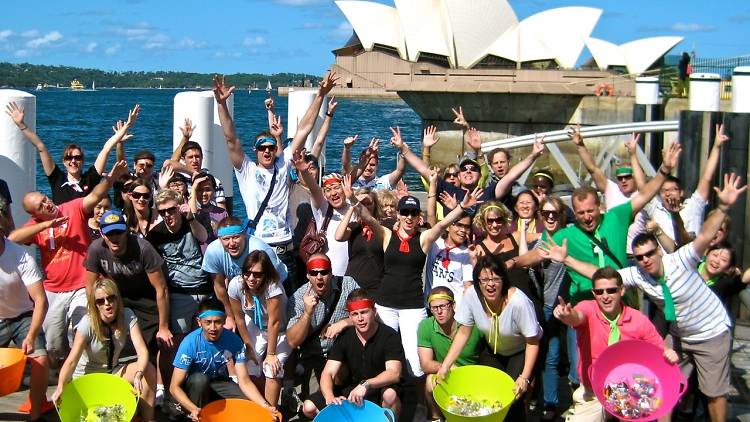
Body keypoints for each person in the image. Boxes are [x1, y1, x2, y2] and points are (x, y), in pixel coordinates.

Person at [555, 173, 745, 422]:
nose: (645, 260)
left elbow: (705, 236)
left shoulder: (681, 260)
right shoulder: (638, 274)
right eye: (640, 256)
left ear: (658, 250)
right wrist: (568, 259)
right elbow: (604, 277)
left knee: (713, 392)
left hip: (710, 332)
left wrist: (722, 207)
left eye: (649, 253)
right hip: (680, 332)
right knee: (657, 380)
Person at [213, 73, 337, 287]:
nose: (268, 151)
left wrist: (320, 95)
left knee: (286, 306)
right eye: (262, 148)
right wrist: (221, 105)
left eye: (271, 147)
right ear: (256, 150)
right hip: (258, 249)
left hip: (285, 250)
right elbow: (231, 138)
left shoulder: (284, 163)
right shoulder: (247, 170)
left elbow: (304, 129)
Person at [10, 160, 128, 367]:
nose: (47, 204)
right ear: (33, 214)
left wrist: (110, 178)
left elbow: (94, 196)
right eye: (40, 206)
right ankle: (61, 371)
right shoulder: (35, 226)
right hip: (54, 290)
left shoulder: (71, 208)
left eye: (45, 199)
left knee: (81, 328)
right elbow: (13, 238)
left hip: (82, 285)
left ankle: (82, 369)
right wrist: (46, 225)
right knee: (53, 341)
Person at [366, 188, 482, 379]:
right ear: (398, 214)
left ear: (419, 217)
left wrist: (462, 207)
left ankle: (419, 402)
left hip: (413, 305)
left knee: (416, 363)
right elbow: (368, 218)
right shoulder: (387, 235)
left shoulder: (424, 238)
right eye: (405, 212)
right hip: (385, 304)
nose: (409, 217)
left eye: (413, 213)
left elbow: (442, 223)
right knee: (382, 353)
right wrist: (351, 197)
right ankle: (386, 397)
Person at [551, 267, 678, 422]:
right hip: (593, 390)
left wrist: (668, 353)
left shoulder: (637, 319)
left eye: (611, 290)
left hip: (627, 388)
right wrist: (567, 316)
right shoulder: (588, 308)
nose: (605, 296)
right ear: (593, 293)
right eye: (599, 292)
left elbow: (658, 349)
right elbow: (577, 317)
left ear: (621, 290)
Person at [438, 257, 542, 421]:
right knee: (486, 395)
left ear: (504, 280)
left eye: (495, 279)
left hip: (521, 350)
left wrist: (524, 377)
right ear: (478, 281)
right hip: (493, 349)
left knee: (512, 398)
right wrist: (445, 365)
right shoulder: (472, 295)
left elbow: (533, 341)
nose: (490, 284)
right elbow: (464, 332)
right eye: (484, 279)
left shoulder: (519, 302)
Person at [52, 279, 157, 421]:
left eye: (111, 298)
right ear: (95, 305)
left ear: (117, 298)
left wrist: (139, 374)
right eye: (100, 301)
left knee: (148, 370)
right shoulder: (87, 324)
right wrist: (60, 386)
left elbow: (142, 352)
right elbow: (71, 361)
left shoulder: (127, 315)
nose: (107, 304)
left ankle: (148, 419)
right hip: (87, 378)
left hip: (112, 372)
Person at [146, 189, 210, 404]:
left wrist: (190, 217)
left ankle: (199, 389)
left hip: (205, 290)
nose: (167, 215)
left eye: (171, 210)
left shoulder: (193, 222)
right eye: (162, 211)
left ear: (179, 207)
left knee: (205, 341)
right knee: (174, 345)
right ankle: (167, 391)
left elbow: (203, 237)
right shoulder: (155, 235)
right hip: (179, 294)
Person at [5, 102, 138, 204]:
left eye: (77, 157)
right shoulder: (57, 178)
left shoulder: (90, 178)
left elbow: (106, 148)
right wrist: (21, 125)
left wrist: (127, 126)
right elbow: (41, 147)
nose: (73, 161)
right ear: (63, 161)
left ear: (82, 161)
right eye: (69, 157)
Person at [302, 289, 405, 419]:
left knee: (390, 395)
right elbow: (328, 373)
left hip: (380, 387)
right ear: (350, 317)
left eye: (364, 312)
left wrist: (366, 384)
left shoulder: (389, 335)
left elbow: (394, 373)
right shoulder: (345, 337)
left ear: (374, 312)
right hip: (352, 388)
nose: (360, 318)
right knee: (308, 408)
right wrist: (329, 397)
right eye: (355, 314)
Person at [170, 298, 277, 421]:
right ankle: (194, 416)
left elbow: (244, 381)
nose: (213, 328)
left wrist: (264, 406)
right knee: (200, 380)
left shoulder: (234, 341)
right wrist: (192, 408)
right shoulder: (189, 343)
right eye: (208, 322)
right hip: (194, 385)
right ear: (199, 322)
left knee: (246, 403)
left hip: (219, 382)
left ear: (225, 320)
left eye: (218, 322)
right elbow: (174, 387)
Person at [83, 209, 174, 352]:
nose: (114, 237)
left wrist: (163, 327)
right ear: (101, 233)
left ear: (126, 231)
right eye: (109, 233)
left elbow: (161, 288)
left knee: (159, 343)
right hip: (117, 297)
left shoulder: (143, 248)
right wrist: (95, 314)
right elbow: (90, 287)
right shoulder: (96, 249)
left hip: (147, 299)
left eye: (118, 232)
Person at [285, 254, 359, 394]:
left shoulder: (348, 284)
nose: (319, 277)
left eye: (324, 272)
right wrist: (307, 313)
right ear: (307, 275)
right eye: (314, 273)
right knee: (311, 408)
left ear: (331, 273)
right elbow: (292, 341)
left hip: (345, 353)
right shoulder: (299, 298)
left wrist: (345, 322)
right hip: (316, 356)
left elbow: (369, 313)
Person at [228, 250, 292, 407]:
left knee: (271, 368)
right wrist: (248, 345)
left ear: (266, 274)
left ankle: (271, 412)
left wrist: (271, 354)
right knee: (248, 363)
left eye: (257, 274)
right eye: (247, 273)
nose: (251, 278)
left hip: (282, 330)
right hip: (257, 325)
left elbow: (274, 322)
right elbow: (240, 319)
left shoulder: (273, 287)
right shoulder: (235, 285)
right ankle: (258, 405)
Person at [201, 216, 287, 331]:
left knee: (278, 325)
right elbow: (219, 287)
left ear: (244, 235)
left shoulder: (260, 249)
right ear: (219, 239)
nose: (231, 243)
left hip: (274, 283)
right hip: (245, 287)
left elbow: (272, 284)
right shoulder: (213, 251)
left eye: (236, 237)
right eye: (226, 239)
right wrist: (229, 317)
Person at [0, 229, 50, 421]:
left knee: (40, 359)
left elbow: (40, 301)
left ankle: (35, 414)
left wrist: (31, 335)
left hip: (23, 315)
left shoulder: (20, 256)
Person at [417, 287, 481, 422]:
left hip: (473, 376)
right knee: (429, 381)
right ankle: (436, 418)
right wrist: (450, 368)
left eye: (443, 306)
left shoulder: (471, 325)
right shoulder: (426, 326)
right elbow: (426, 364)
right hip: (447, 375)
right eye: (434, 308)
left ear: (453, 305)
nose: (439, 311)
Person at [342, 134, 406, 191]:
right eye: (366, 164)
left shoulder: (383, 182)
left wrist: (402, 149)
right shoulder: (351, 180)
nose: (368, 168)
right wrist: (347, 148)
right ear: (360, 164)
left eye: (372, 165)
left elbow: (400, 171)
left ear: (377, 165)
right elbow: (346, 167)